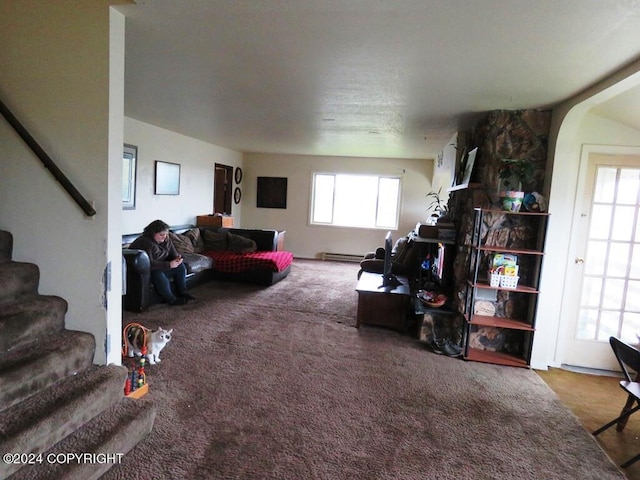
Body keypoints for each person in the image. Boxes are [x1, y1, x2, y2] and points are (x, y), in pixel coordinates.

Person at [129, 219, 194, 306]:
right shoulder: (145, 242)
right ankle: (172, 300)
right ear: (152, 233)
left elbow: (173, 253)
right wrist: (169, 265)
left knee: (180, 267)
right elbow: (148, 264)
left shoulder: (166, 240)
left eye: (166, 234)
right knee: (158, 275)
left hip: (161, 266)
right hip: (146, 271)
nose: (164, 237)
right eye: (161, 235)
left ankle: (183, 292)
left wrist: (177, 258)